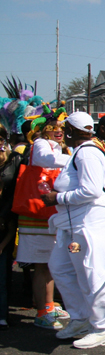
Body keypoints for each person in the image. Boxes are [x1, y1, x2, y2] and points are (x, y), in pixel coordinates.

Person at [43, 112, 105, 349]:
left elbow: (91, 190)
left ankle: (102, 328)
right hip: (74, 224)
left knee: (93, 275)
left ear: (74, 131)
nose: (61, 133)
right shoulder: (79, 152)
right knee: (60, 269)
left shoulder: (88, 153)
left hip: (90, 224)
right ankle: (80, 319)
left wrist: (57, 197)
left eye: (65, 128)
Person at [18, 114, 71, 330]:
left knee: (50, 264)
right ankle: (41, 310)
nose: (59, 131)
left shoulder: (58, 148)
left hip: (50, 215)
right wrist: (77, 158)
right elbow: (45, 161)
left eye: (61, 127)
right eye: (53, 127)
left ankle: (48, 305)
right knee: (42, 266)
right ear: (42, 130)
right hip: (36, 215)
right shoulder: (40, 144)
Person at [0, 125, 23, 330]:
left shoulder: (12, 159)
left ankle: (2, 313)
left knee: (3, 271)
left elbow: (13, 192)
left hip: (3, 220)